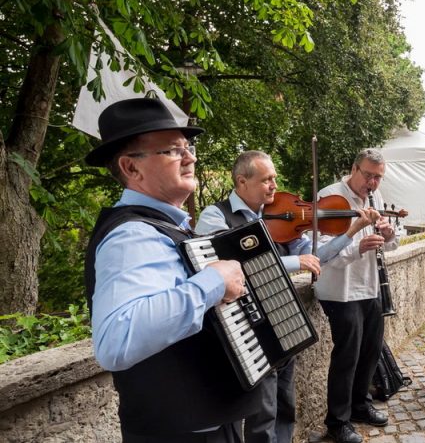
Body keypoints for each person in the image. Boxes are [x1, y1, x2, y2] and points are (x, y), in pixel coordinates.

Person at [84, 98, 259, 442]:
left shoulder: (163, 227)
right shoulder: (131, 235)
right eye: (173, 150)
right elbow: (115, 342)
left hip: (203, 421)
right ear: (131, 168)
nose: (190, 157)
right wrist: (213, 282)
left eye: (188, 147)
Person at [194, 150, 377, 443]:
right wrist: (295, 263)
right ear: (242, 181)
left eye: (274, 179)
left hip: (282, 315)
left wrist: (351, 231)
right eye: (266, 180)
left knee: (283, 403)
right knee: (260, 410)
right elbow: (229, 266)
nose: (274, 186)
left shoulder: (282, 218)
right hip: (244, 325)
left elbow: (316, 257)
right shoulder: (215, 216)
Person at [314, 148, 398, 443]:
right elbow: (321, 253)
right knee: (347, 355)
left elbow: (392, 245)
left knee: (370, 351)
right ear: (354, 168)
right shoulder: (330, 197)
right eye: (368, 175)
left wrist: (388, 235)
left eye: (378, 177)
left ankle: (360, 406)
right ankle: (337, 422)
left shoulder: (375, 198)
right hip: (339, 290)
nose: (373, 182)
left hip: (369, 286)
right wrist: (356, 246)